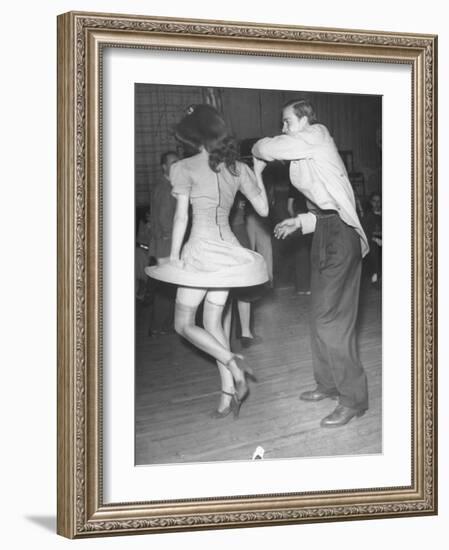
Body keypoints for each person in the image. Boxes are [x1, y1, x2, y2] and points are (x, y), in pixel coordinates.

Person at [146, 104, 269, 418]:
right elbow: (265, 211)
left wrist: (174, 259)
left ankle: (232, 362)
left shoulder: (184, 167)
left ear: (195, 136)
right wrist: (260, 173)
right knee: (213, 323)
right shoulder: (238, 168)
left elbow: (181, 218)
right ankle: (228, 393)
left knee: (184, 324)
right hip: (228, 251)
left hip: (201, 252)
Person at [252, 99, 370, 428]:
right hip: (325, 231)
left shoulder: (318, 134)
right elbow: (326, 201)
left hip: (341, 236)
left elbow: (268, 147)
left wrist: (257, 150)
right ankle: (329, 385)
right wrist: (301, 222)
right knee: (318, 316)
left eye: (287, 121)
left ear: (304, 120)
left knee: (331, 321)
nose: (283, 127)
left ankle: (353, 400)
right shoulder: (305, 152)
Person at [148, 151, 179, 335]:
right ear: (164, 167)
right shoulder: (165, 188)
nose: (177, 166)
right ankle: (159, 326)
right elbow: (164, 220)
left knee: (167, 287)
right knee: (167, 287)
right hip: (166, 243)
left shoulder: (166, 185)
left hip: (164, 242)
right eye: (173, 163)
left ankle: (162, 325)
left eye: (178, 163)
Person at [363, 191, 382, 286]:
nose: (377, 204)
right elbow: (366, 233)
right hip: (374, 240)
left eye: (379, 201)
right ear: (371, 202)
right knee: (373, 246)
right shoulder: (369, 216)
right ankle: (375, 274)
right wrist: (376, 239)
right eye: (374, 201)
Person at [135, 209, 152, 301]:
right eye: (147, 215)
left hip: (149, 251)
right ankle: (139, 288)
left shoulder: (155, 226)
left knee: (141, 255)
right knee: (138, 254)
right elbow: (138, 241)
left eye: (149, 215)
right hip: (140, 250)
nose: (148, 216)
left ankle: (143, 288)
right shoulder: (143, 224)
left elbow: (151, 245)